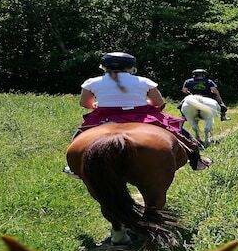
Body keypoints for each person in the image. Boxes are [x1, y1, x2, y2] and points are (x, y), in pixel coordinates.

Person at [64, 52, 211, 175]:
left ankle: (73, 165)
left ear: (104, 66)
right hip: (140, 115)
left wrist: (95, 105)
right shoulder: (144, 81)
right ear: (131, 67)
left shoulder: (91, 82)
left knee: (79, 135)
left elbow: (85, 103)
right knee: (178, 131)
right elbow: (158, 102)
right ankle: (197, 160)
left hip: (105, 116)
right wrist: (145, 102)